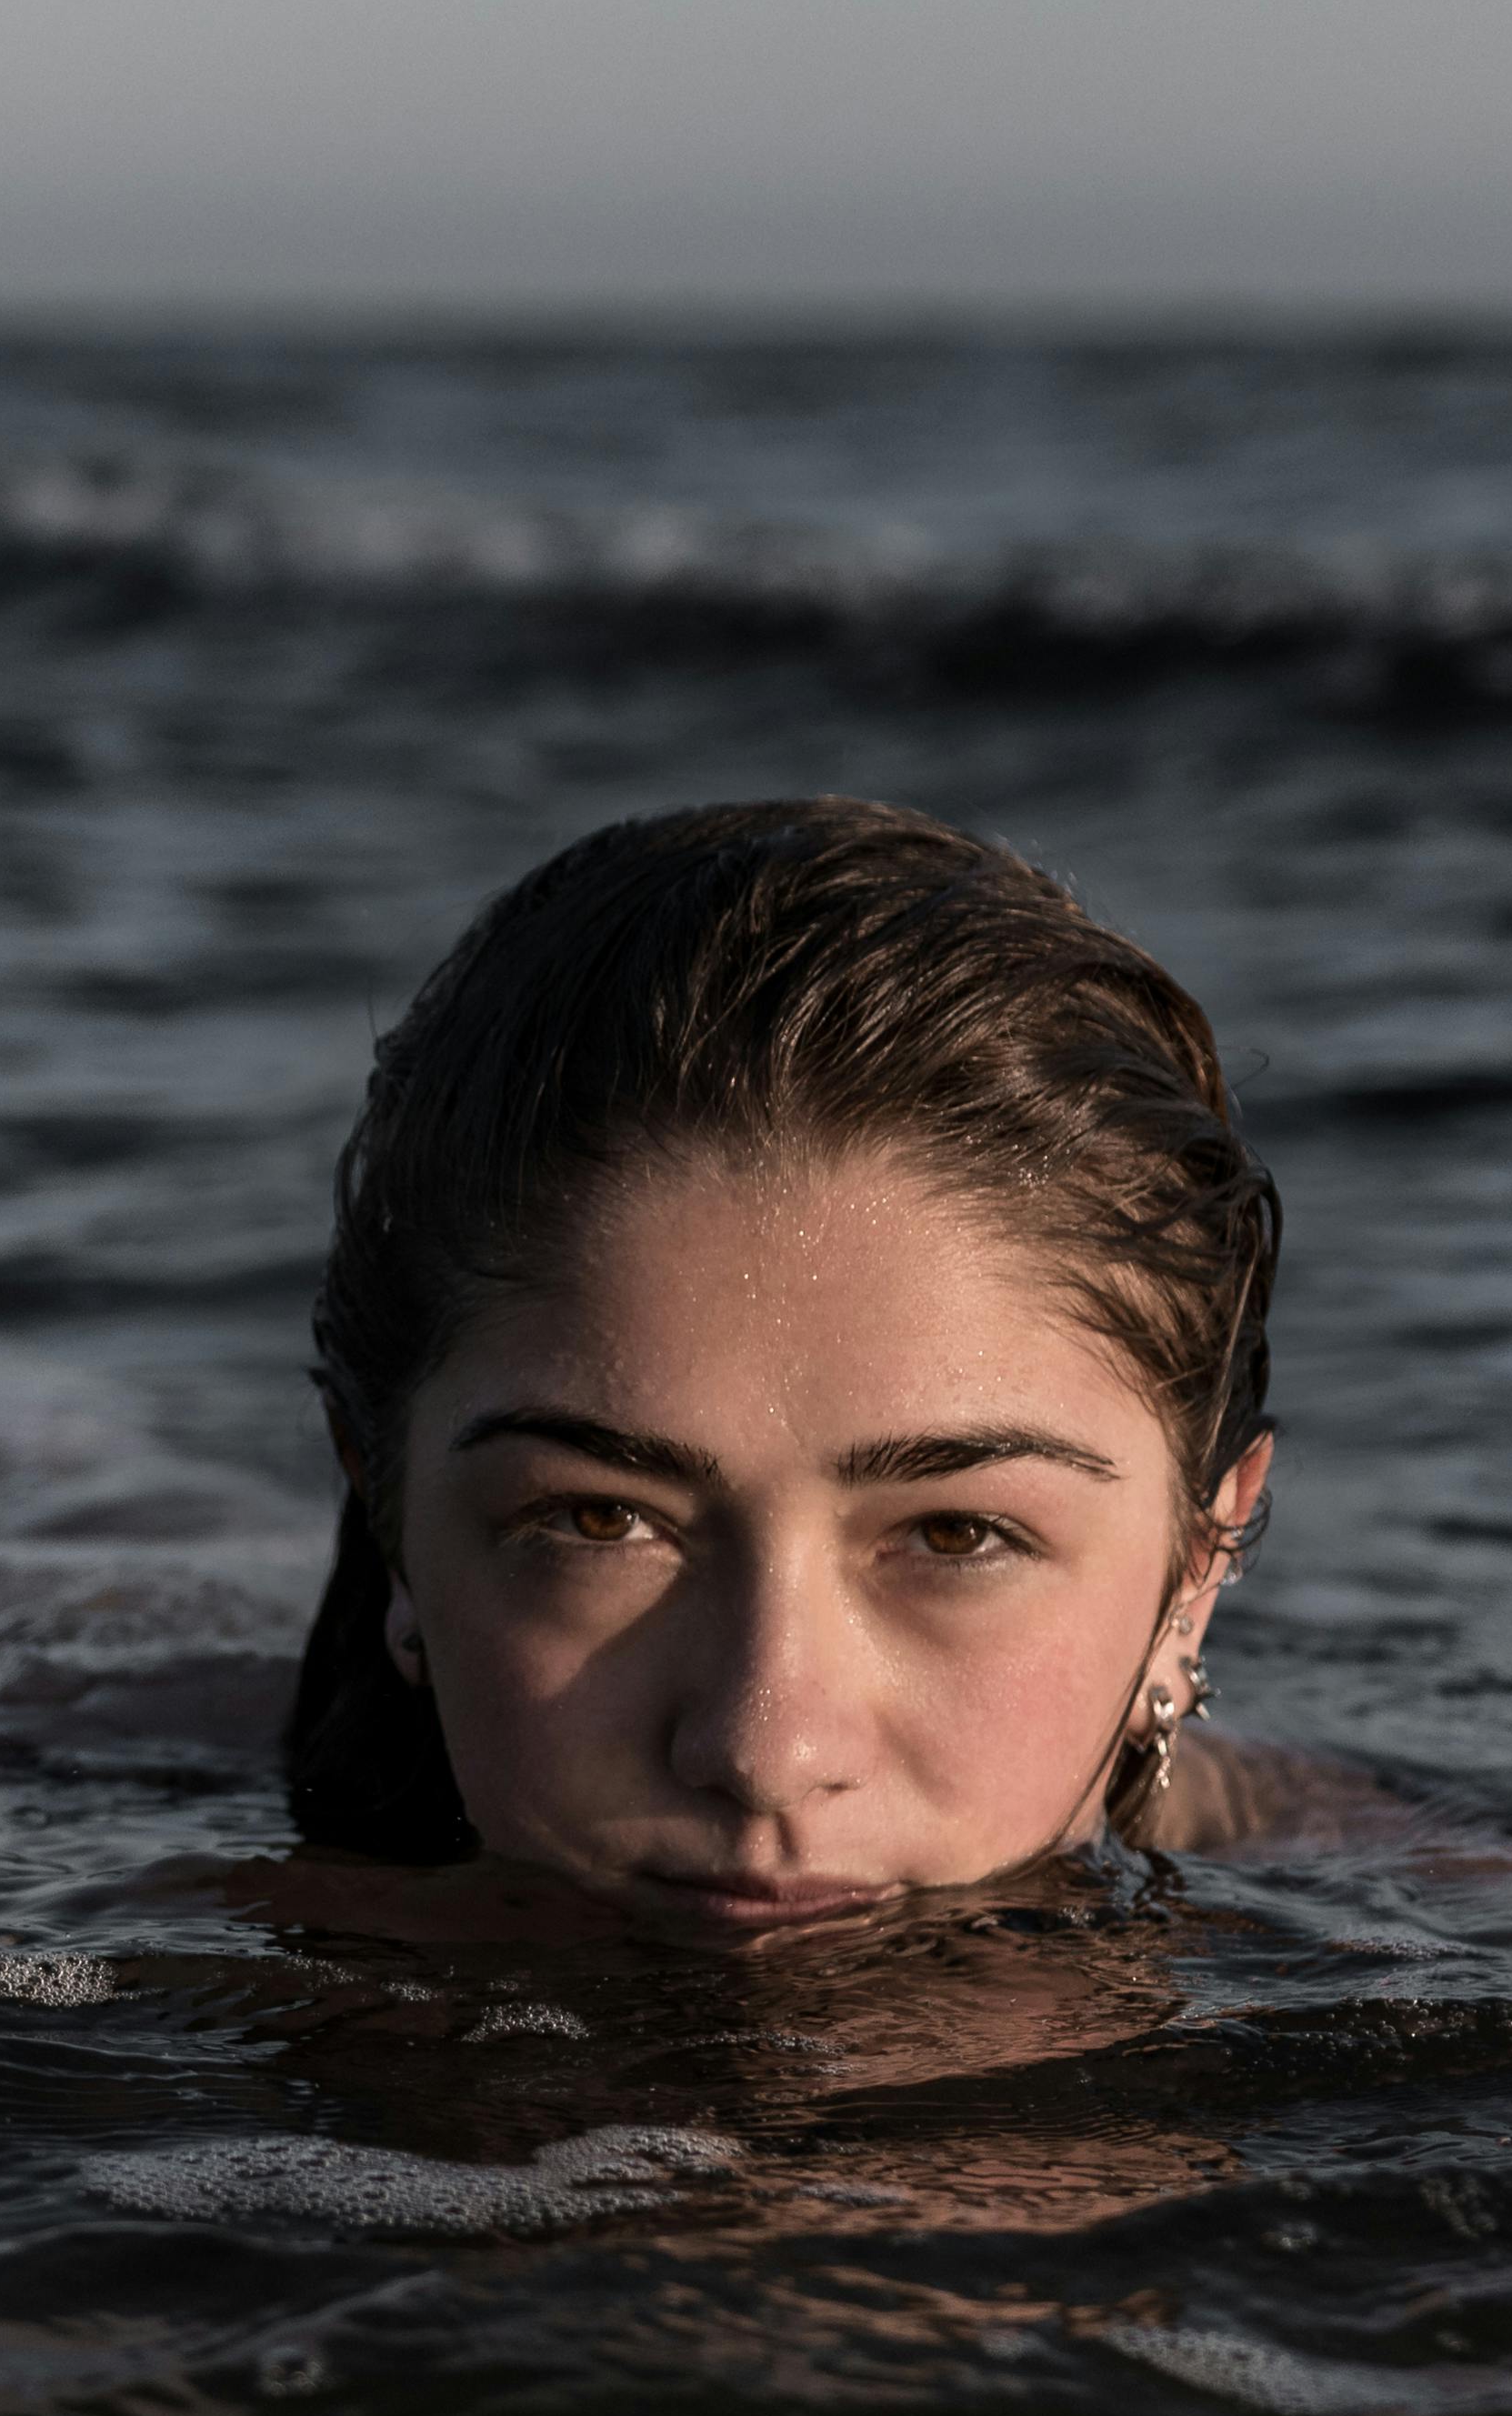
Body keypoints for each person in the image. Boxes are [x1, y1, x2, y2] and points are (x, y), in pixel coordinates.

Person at [284, 796, 1344, 1944]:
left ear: (1194, 1572)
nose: (763, 1752)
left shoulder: (1499, 1959)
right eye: (597, 1521)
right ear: (391, 1520)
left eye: (955, 1535)